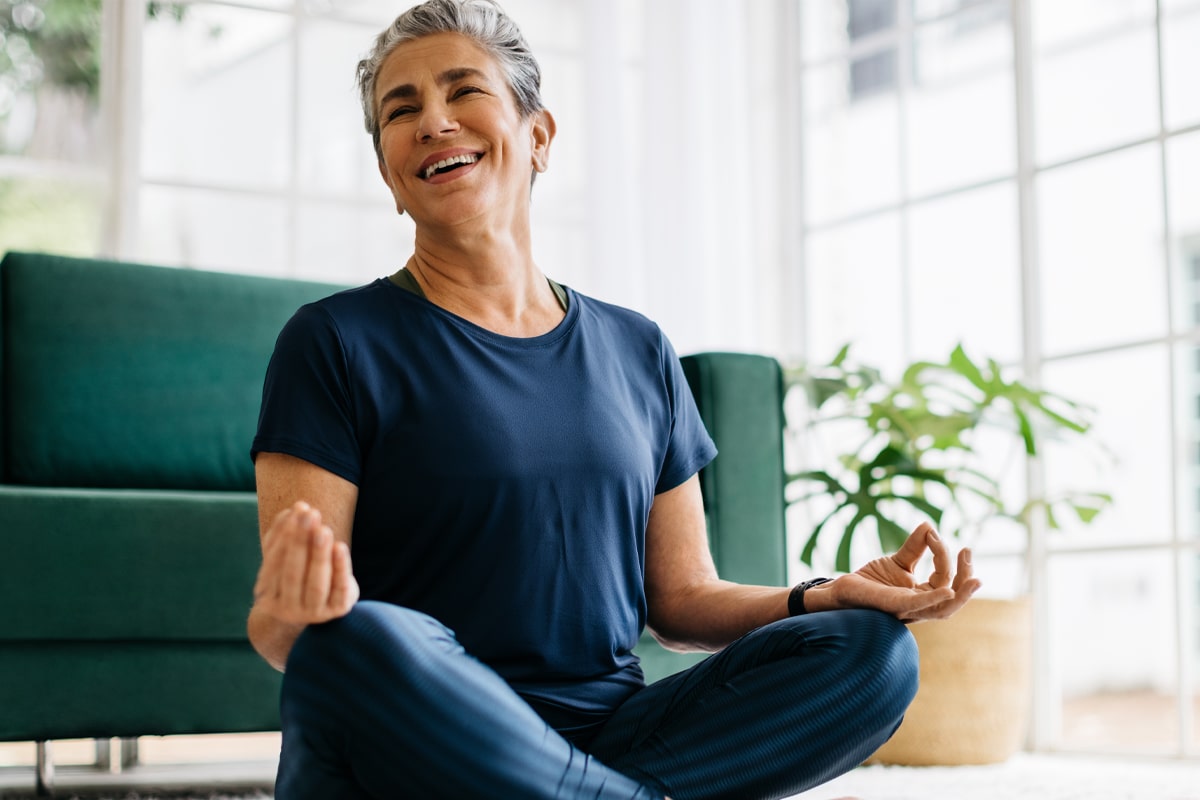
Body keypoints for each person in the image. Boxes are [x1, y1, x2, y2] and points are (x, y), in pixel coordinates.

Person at [247, 1, 981, 798]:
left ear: (538, 138)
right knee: (360, 639)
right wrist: (286, 623)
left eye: (464, 92)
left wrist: (823, 595)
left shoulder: (638, 350)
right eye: (402, 109)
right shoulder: (333, 342)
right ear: (390, 175)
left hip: (611, 736)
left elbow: (683, 601)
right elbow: (297, 629)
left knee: (872, 655)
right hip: (416, 745)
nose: (432, 121)